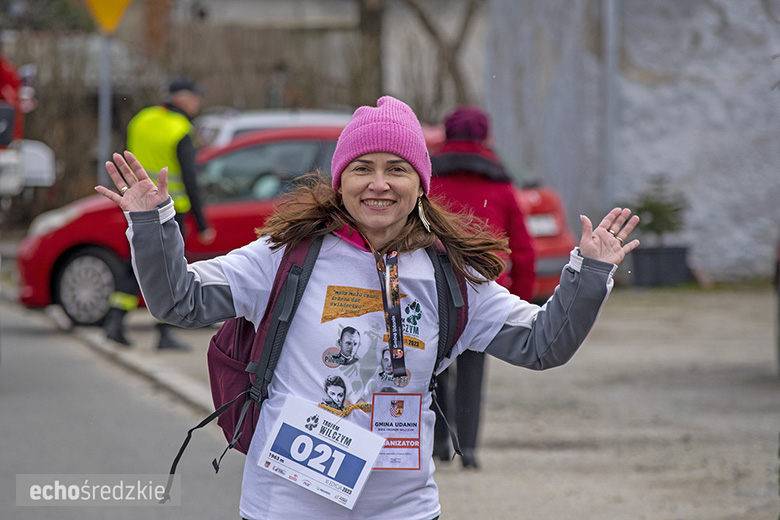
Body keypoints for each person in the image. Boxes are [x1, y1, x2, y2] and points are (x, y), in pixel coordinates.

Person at [96, 95, 639, 520]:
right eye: (362, 168)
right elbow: (178, 300)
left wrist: (588, 276)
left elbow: (543, 344)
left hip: (404, 508)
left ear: (421, 185)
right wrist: (152, 225)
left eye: (397, 169)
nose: (379, 184)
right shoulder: (286, 258)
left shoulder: (451, 276)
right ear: (340, 182)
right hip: (286, 506)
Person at [429, 105, 536, 469]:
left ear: (446, 135)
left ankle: (439, 441)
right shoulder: (501, 186)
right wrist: (517, 299)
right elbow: (523, 249)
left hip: (434, 290)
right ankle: (469, 448)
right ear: (486, 138)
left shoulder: (427, 181)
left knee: (434, 366)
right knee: (473, 368)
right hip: (482, 291)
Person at [102, 76, 215, 350]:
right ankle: (165, 334)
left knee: (136, 266)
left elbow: (127, 158)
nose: (197, 103)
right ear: (182, 99)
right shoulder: (180, 129)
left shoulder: (141, 119)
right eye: (195, 97)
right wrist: (202, 224)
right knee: (170, 272)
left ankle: (115, 321)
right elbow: (190, 180)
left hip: (138, 207)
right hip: (169, 211)